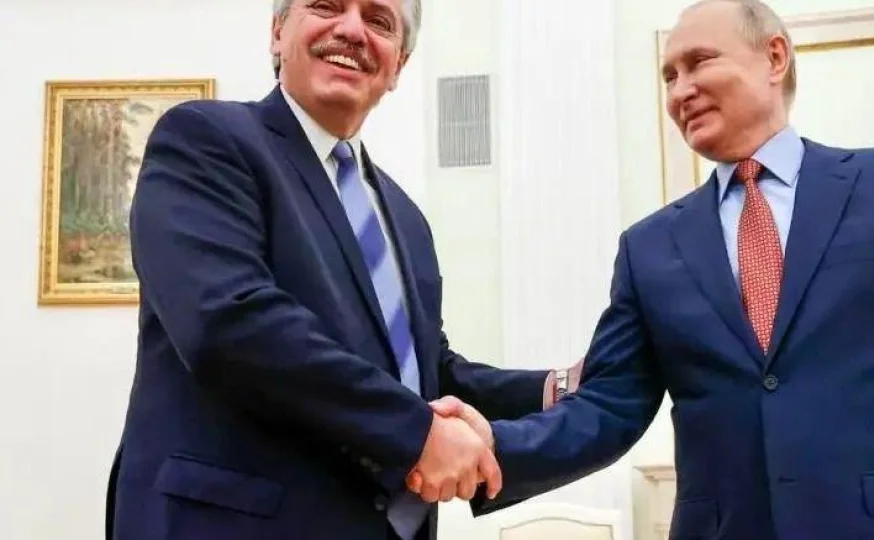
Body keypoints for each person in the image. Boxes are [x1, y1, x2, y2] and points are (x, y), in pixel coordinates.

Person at [423, 0, 874, 538]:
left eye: (699, 62)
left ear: (774, 57)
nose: (680, 90)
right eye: (669, 76)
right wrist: (495, 443)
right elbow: (607, 406)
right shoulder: (648, 247)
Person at [104, 1, 581, 539]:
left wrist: (554, 389)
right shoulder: (206, 139)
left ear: (398, 64)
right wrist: (419, 434)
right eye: (327, 6)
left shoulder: (405, 217)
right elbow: (229, 322)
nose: (352, 30)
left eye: (378, 20)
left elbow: (425, 373)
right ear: (278, 32)